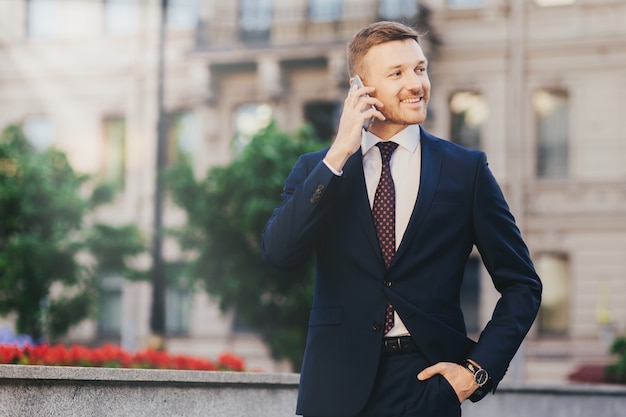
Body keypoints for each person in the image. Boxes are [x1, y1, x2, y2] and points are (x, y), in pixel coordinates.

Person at [260, 21, 542, 417]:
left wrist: (477, 371)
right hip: (334, 390)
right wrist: (339, 152)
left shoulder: (466, 170)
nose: (416, 83)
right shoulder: (318, 168)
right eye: (397, 73)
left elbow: (522, 285)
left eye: (420, 69)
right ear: (360, 87)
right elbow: (278, 253)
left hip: (427, 387)